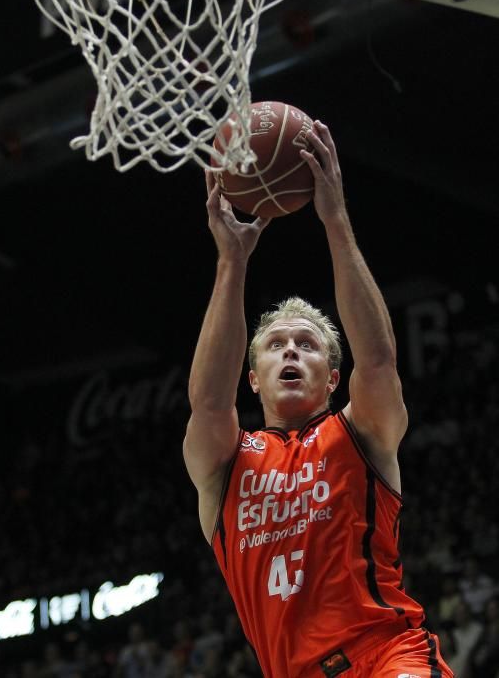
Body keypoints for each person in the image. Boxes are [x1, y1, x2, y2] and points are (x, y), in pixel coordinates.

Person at [183, 119, 454, 678]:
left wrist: (335, 221)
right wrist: (231, 261)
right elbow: (209, 403)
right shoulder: (225, 463)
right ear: (252, 377)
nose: (290, 352)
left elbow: (377, 360)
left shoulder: (359, 435)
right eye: (275, 345)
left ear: (332, 378)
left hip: (387, 656)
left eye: (307, 346)